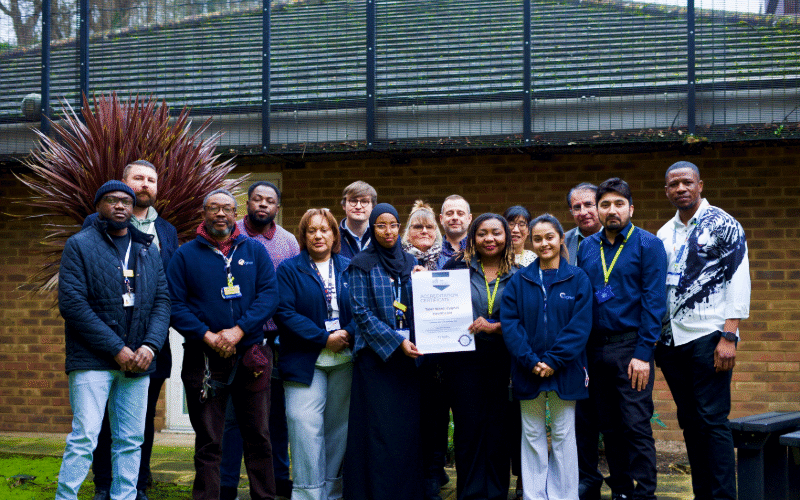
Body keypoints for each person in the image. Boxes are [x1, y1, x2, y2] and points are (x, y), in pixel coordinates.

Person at [56, 181, 171, 500]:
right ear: (98, 206)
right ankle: (66, 496)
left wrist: (150, 346)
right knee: (85, 437)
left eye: (126, 201)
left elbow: (162, 301)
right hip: (92, 361)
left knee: (131, 440)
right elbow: (73, 305)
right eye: (111, 200)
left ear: (134, 208)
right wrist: (117, 349)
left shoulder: (147, 248)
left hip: (138, 361)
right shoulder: (79, 245)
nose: (120, 206)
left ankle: (124, 497)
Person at [167, 189, 279, 500]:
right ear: (204, 213)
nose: (221, 214)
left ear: (235, 214)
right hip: (202, 359)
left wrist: (238, 331)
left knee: (259, 437)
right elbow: (175, 304)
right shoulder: (185, 255)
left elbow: (269, 295)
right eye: (214, 208)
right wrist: (208, 336)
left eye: (227, 209)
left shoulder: (255, 251)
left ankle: (264, 496)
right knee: (209, 440)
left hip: (251, 357)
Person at [83, 161, 178, 500]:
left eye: (151, 180)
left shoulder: (166, 231)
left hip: (151, 343)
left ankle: (136, 483)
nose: (145, 185)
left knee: (142, 418)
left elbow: (167, 291)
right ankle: (103, 483)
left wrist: (152, 342)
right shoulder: (96, 225)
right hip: (107, 343)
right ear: (122, 184)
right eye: (138, 178)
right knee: (106, 419)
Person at [656, 161, 750, 500]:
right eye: (673, 184)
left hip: (709, 336)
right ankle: (703, 495)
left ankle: (723, 497)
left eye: (686, 182)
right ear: (666, 190)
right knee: (691, 423)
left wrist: (730, 335)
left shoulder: (723, 223)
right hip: (672, 341)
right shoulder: (664, 233)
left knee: (712, 421)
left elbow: (738, 276)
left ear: (700, 185)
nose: (680, 188)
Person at [577, 178, 667, 500]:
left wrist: (643, 354)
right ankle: (621, 491)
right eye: (605, 204)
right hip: (595, 348)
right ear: (597, 210)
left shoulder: (648, 245)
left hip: (631, 349)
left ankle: (645, 494)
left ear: (631, 208)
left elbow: (655, 302)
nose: (611, 210)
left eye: (618, 204)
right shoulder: (587, 247)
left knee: (636, 426)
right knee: (609, 426)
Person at [502, 213, 593, 500]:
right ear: (532, 241)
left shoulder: (578, 279)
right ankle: (534, 495)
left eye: (550, 237)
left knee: (565, 434)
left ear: (561, 239)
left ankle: (565, 496)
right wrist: (530, 359)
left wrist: (554, 360)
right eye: (538, 239)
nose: (544, 244)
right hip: (527, 368)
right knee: (531, 435)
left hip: (565, 369)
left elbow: (580, 326)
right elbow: (511, 324)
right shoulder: (520, 280)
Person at [220, 181, 299, 500]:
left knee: (275, 417)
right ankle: (226, 483)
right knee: (231, 419)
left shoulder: (288, 242)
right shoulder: (230, 234)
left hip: (274, 341)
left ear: (277, 208)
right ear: (247, 203)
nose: (263, 205)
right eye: (257, 199)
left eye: (270, 201)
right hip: (231, 339)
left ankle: (279, 478)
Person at [343, 203, 423, 500]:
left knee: (405, 433)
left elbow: (418, 308)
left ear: (399, 227)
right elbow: (361, 314)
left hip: (408, 363)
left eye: (393, 225)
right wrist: (396, 341)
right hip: (376, 361)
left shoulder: (410, 260)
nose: (388, 231)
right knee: (378, 433)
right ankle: (375, 493)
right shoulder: (361, 264)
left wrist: (422, 281)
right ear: (372, 229)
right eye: (381, 225)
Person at [276, 209, 355, 500]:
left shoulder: (350, 267)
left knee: (338, 431)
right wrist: (324, 338)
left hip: (345, 359)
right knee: (304, 428)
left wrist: (346, 333)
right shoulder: (288, 269)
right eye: (311, 230)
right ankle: (308, 495)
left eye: (325, 230)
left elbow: (363, 308)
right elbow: (284, 312)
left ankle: (332, 492)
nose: (318, 235)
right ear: (303, 236)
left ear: (335, 235)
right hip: (304, 359)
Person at [438, 213, 518, 500]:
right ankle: (470, 493)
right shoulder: (455, 267)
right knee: (468, 431)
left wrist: (497, 327)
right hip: (463, 364)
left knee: (498, 431)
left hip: (504, 363)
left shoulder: (518, 273)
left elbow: (528, 318)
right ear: (473, 237)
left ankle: (497, 492)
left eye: (496, 233)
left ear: (506, 236)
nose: (489, 239)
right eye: (482, 233)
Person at [563, 182, 604, 500]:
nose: (583, 212)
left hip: (615, 338)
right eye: (576, 207)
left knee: (620, 416)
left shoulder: (624, 239)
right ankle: (588, 478)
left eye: (588, 204)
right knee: (583, 414)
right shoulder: (566, 242)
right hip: (579, 341)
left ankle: (624, 480)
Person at [338, 180, 377, 259]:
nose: (358, 206)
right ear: (344, 205)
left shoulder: (381, 237)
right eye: (353, 201)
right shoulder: (333, 238)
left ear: (373, 206)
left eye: (364, 201)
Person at [402, 200, 443, 270]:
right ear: (407, 233)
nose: (424, 231)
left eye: (429, 227)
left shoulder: (447, 261)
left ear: (435, 233)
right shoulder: (397, 260)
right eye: (418, 227)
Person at [436, 194, 472, 269]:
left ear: (469, 218)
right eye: (449, 214)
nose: (455, 217)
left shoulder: (479, 249)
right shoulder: (430, 252)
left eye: (460, 214)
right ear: (441, 219)